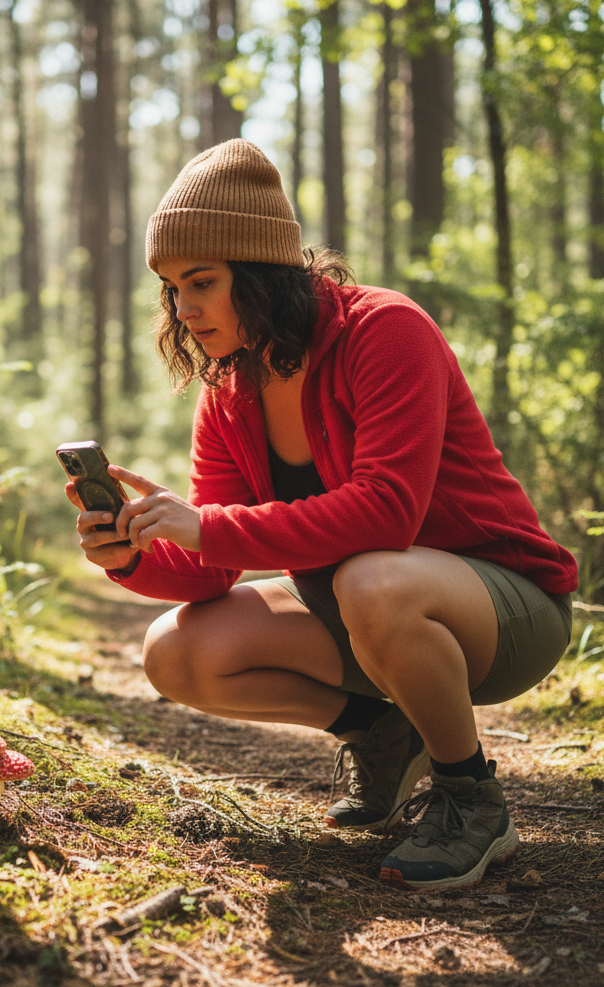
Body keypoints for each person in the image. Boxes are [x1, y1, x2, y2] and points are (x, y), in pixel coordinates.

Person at [65, 139, 577, 891]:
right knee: (174, 651)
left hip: (506, 608)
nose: (185, 308)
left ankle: (473, 799)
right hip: (366, 610)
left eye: (201, 281)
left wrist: (205, 525)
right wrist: (133, 554)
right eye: (172, 288)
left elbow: (387, 513)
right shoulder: (231, 391)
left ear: (262, 270)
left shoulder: (384, 330)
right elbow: (216, 569)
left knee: (374, 577)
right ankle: (380, 733)